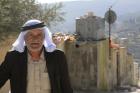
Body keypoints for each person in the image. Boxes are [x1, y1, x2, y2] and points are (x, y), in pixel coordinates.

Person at [0, 19, 73, 93]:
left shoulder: (58, 56)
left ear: (44, 37)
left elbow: (66, 86)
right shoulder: (13, 57)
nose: (35, 38)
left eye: (39, 34)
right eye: (30, 35)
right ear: (24, 38)